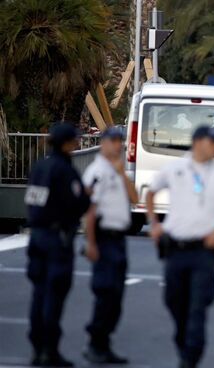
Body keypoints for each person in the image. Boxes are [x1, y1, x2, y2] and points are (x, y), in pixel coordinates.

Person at [146, 126, 214, 368]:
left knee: (198, 305)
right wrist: (154, 224)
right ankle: (183, 342)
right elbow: (151, 192)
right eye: (213, 142)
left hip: (204, 252)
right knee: (174, 302)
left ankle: (190, 358)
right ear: (198, 142)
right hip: (176, 249)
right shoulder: (175, 168)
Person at [24, 123, 90, 366]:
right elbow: (78, 203)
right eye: (74, 140)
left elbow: (32, 201)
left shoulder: (39, 167)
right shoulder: (64, 170)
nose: (77, 144)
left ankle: (37, 347)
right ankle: (49, 350)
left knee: (38, 294)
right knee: (54, 295)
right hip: (57, 240)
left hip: (37, 236)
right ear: (66, 143)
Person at [81, 127, 138, 364]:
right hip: (104, 239)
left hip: (118, 240)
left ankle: (104, 345)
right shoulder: (96, 172)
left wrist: (123, 174)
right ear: (103, 143)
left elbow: (135, 198)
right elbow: (90, 212)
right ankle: (95, 342)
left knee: (116, 296)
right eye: (113, 141)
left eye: (120, 141)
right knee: (106, 292)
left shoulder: (116, 170)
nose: (118, 145)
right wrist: (90, 243)